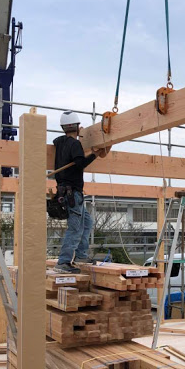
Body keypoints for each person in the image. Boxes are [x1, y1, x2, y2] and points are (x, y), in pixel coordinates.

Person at [54, 111, 111, 273]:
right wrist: (94, 154)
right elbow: (80, 164)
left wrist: (80, 139)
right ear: (77, 127)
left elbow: (72, 156)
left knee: (86, 222)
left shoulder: (60, 142)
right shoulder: (74, 145)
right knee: (75, 228)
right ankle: (63, 262)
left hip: (65, 192)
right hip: (73, 194)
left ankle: (80, 255)